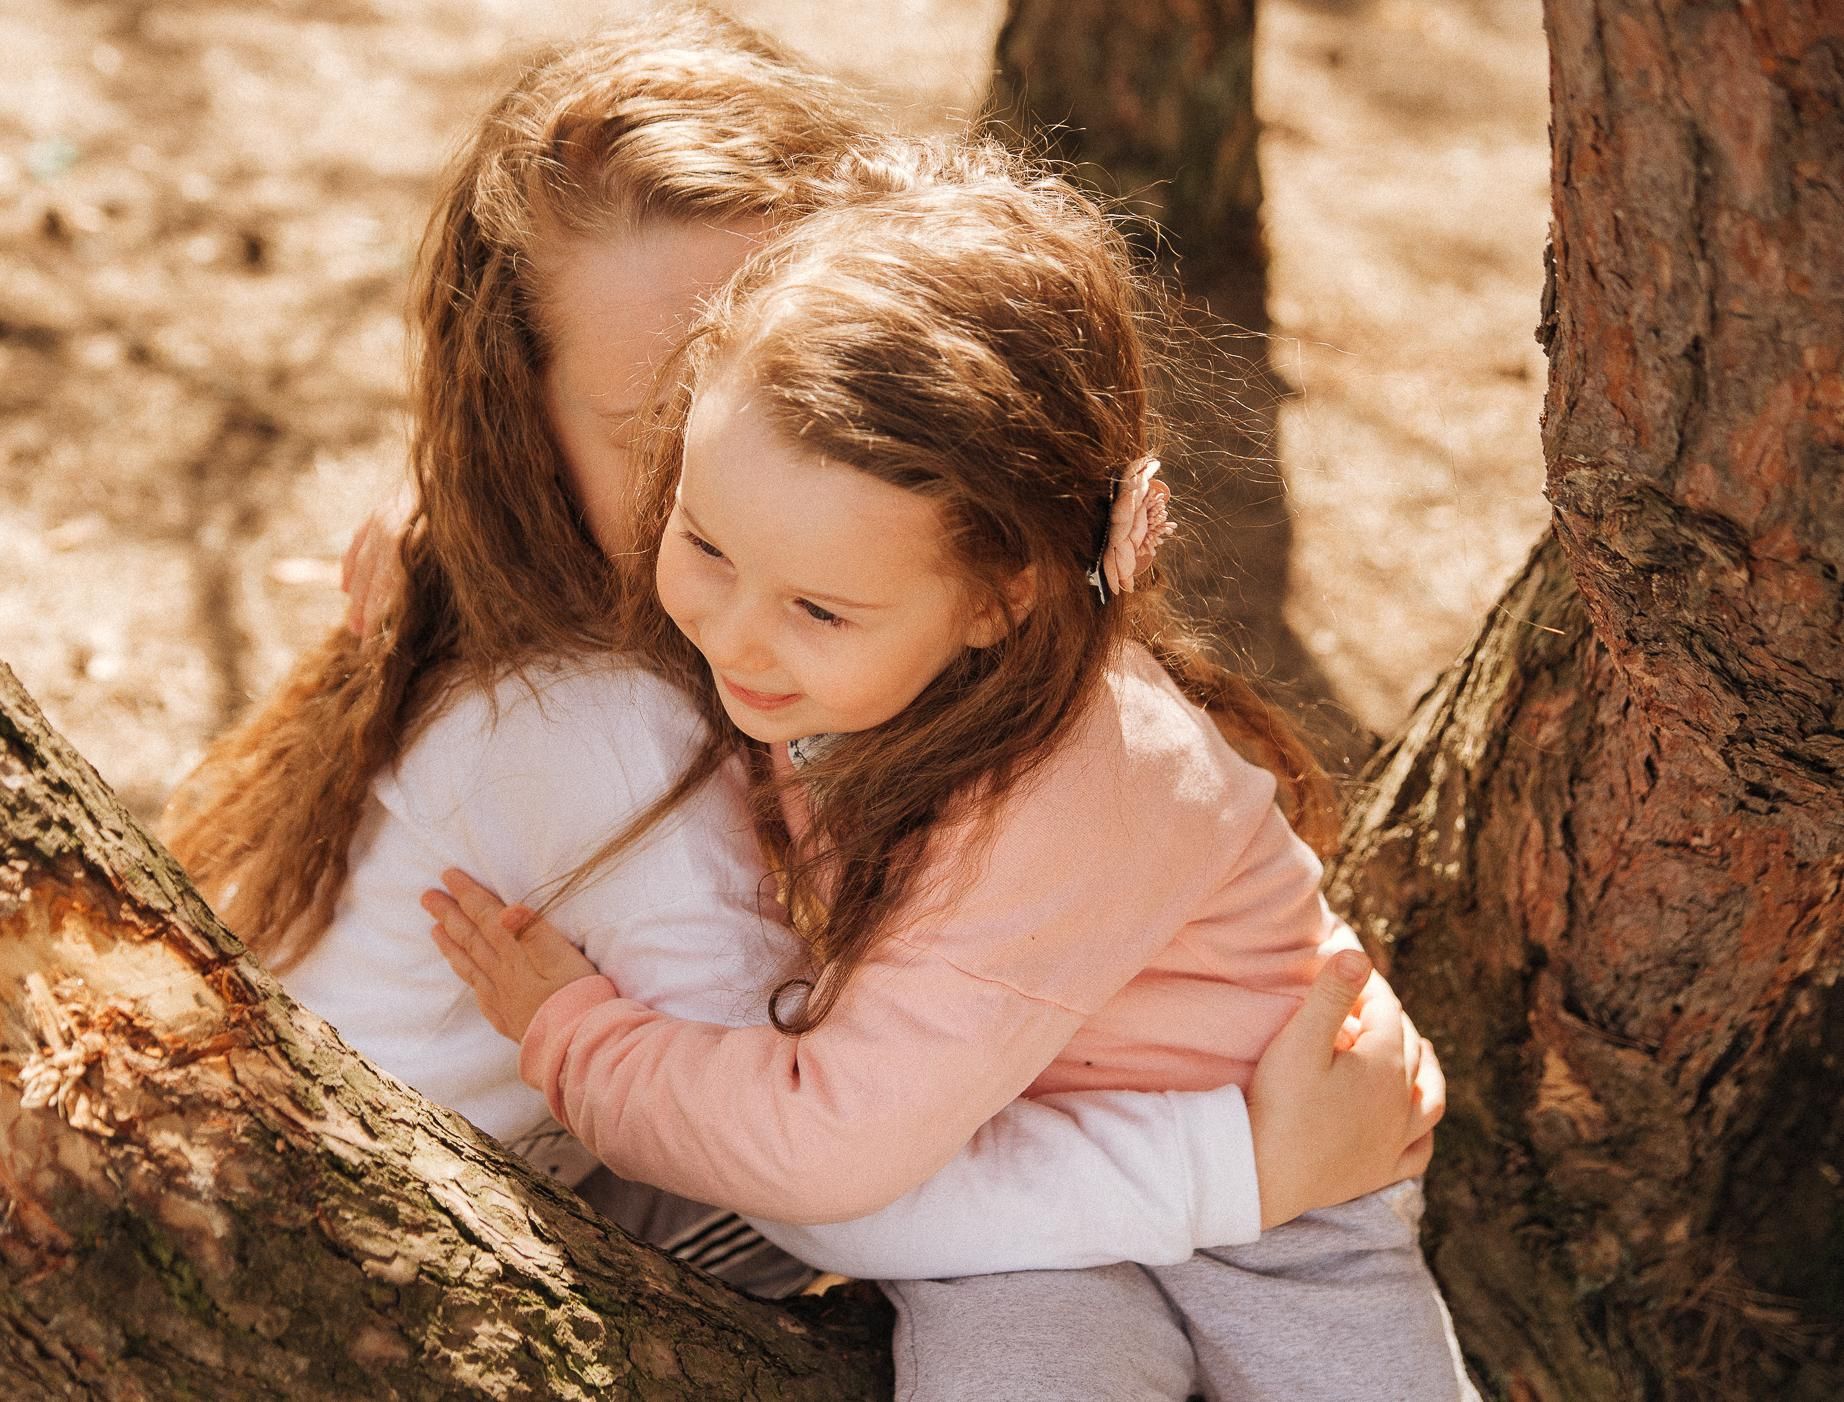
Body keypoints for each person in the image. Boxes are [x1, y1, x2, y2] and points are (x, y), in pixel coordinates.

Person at [426, 136, 1476, 1401]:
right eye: (704, 540)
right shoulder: (863, 627)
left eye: (819, 609)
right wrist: (424, 554)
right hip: (1003, 1187)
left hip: (1293, 1202)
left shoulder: (1073, 794)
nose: (737, 636)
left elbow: (830, 1144)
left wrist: (572, 1036)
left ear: (1001, 597)